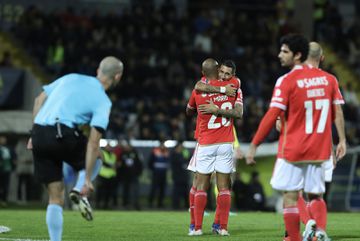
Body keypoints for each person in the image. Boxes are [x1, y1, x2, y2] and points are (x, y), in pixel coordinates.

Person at [246, 35, 346, 241]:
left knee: (290, 196)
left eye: (284, 51)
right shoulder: (329, 80)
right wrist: (341, 140)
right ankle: (319, 232)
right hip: (320, 149)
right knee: (316, 195)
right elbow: (336, 113)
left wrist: (255, 143)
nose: (279, 55)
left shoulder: (287, 80)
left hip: (294, 147)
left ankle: (294, 237)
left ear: (298, 55)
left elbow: (273, 115)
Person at [28, 56, 123, 241]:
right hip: (62, 133)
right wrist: (87, 178)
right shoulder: (103, 101)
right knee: (98, 157)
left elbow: (38, 100)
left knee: (55, 196)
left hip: (39, 132)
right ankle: (80, 189)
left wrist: (33, 134)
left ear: (98, 70)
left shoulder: (70, 78)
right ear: (117, 77)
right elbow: (94, 143)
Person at [186, 58, 242, 236]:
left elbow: (190, 106)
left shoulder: (201, 88)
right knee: (224, 186)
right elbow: (238, 112)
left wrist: (214, 109)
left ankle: (196, 227)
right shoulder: (233, 87)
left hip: (206, 142)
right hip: (225, 143)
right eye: (222, 72)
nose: (225, 76)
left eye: (228, 73)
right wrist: (222, 90)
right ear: (217, 71)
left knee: (200, 184)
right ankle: (221, 226)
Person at [148, 139, 170, 208]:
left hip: (163, 173)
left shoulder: (167, 151)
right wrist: (153, 170)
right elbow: (150, 162)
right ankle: (150, 203)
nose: (163, 146)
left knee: (162, 189)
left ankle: (160, 203)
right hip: (156, 173)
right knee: (154, 189)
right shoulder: (155, 151)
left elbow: (168, 161)